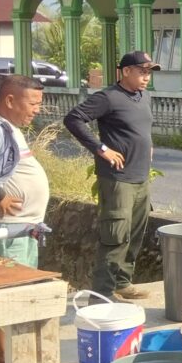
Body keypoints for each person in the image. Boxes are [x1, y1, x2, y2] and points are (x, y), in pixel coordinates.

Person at [63, 51, 159, 303]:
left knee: (135, 233)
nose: (146, 77)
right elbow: (73, 119)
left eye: (149, 73)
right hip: (118, 179)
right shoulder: (108, 97)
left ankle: (122, 282)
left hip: (140, 177)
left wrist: (148, 145)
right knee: (115, 235)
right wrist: (101, 148)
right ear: (126, 71)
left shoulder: (144, 96)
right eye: (142, 71)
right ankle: (101, 294)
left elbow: (140, 128)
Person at [0, 74, 46, 363]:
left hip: (18, 229)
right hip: (3, 230)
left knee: (13, 294)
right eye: (33, 103)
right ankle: (5, 358)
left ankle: (9, 357)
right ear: (10, 100)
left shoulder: (7, 128)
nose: (37, 110)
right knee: (3, 294)